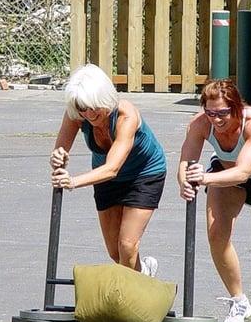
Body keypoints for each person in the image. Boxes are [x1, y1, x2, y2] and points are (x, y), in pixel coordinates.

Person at [178, 78, 251, 322]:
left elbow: (244, 171)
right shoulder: (200, 123)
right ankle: (239, 301)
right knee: (217, 236)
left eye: (223, 113)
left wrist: (203, 178)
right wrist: (184, 181)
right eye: (211, 112)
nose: (216, 119)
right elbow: (185, 160)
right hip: (224, 176)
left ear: (237, 107)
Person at [50, 64, 166, 276]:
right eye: (82, 108)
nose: (88, 113)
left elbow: (112, 168)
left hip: (144, 174)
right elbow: (60, 150)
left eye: (93, 107)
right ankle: (144, 274)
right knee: (115, 253)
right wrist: (58, 156)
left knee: (127, 246)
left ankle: (129, 303)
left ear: (104, 99)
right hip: (105, 179)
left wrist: (73, 181)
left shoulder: (125, 115)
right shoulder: (78, 113)